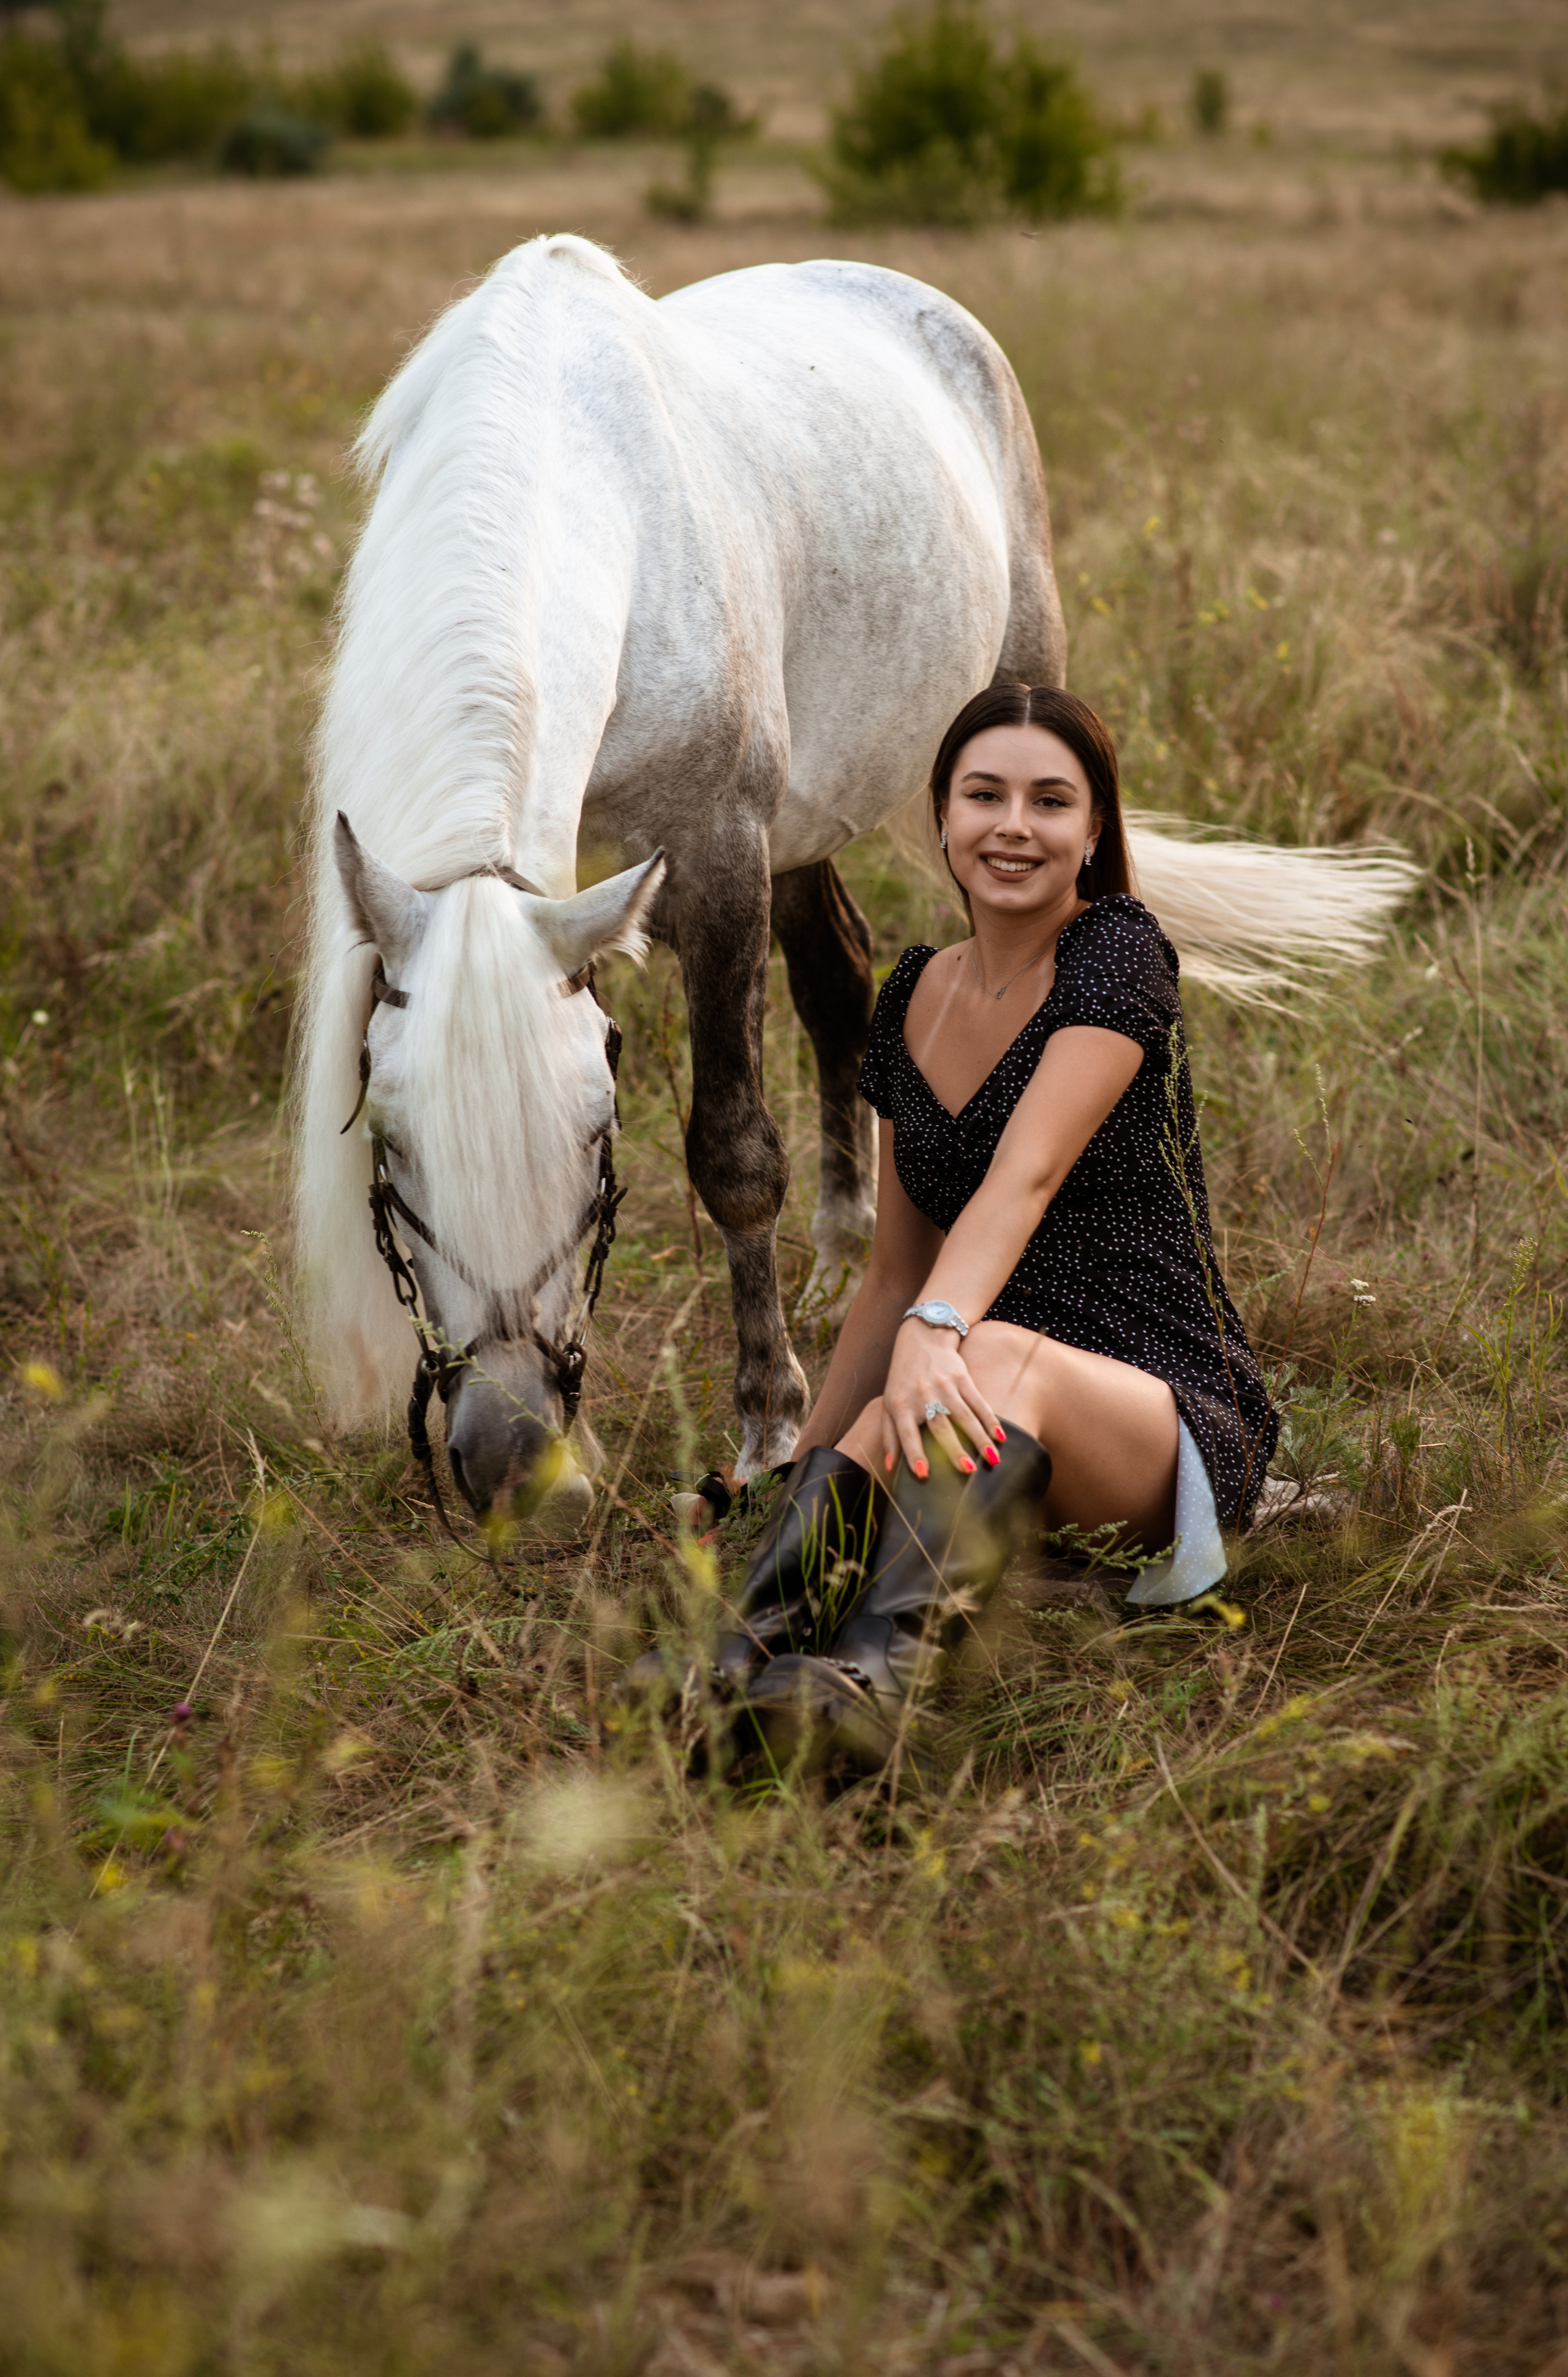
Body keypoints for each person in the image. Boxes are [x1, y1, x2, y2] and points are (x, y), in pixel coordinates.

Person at [631, 684, 1278, 1776]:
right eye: (984, 794)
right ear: (941, 818)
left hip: (1158, 1417)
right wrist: (797, 1466)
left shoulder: (1119, 954)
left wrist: (938, 1331)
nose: (1013, 825)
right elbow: (893, 1280)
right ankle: (742, 1663)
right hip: (971, 1412)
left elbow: (1020, 1183)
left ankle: (878, 1686)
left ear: (1093, 832)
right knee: (904, 1403)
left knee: (978, 1357)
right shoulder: (912, 993)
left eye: (1049, 800)